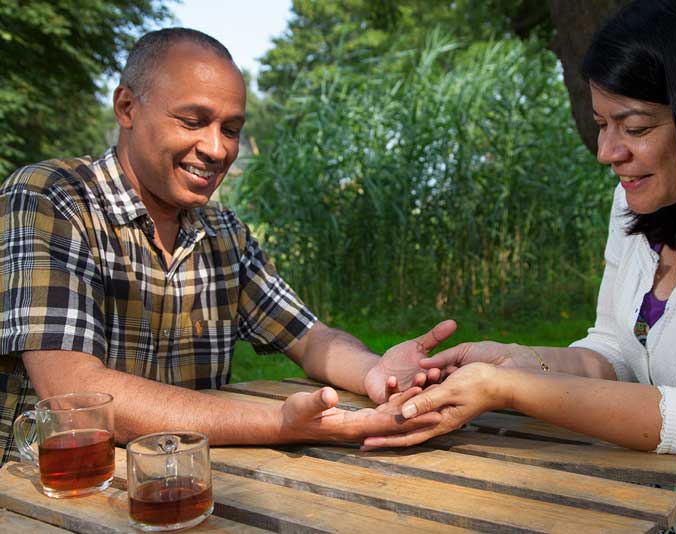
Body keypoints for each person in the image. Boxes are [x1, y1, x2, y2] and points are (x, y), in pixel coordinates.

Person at [364, 0, 676, 531]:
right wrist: (517, 361)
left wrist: (512, 390)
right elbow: (613, 351)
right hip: (654, 515)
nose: (606, 152)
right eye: (601, 124)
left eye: (634, 127)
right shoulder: (639, 199)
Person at [0, 28, 455, 465]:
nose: (216, 149)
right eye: (193, 121)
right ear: (127, 107)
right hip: (47, 498)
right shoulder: (50, 198)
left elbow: (311, 339)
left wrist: (377, 371)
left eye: (231, 129)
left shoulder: (224, 231)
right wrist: (281, 422)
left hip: (188, 487)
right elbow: (72, 391)